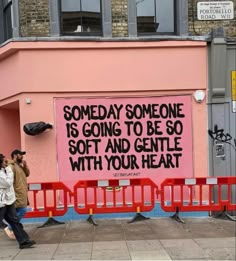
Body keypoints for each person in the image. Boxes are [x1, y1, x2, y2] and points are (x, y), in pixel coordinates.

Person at [0, 153, 36, 249]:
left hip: (9, 201)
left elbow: (26, 174)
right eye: (4, 161)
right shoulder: (6, 170)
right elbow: (8, 183)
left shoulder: (5, 170)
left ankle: (23, 241)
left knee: (15, 221)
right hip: (2, 203)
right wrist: (8, 169)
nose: (6, 162)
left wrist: (25, 166)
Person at [4, 149, 30, 239]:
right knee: (22, 210)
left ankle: (14, 229)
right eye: (20, 155)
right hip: (16, 194)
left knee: (16, 213)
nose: (22, 156)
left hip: (21, 193)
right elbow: (8, 181)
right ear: (15, 155)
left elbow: (27, 174)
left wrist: (25, 166)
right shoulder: (11, 166)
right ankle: (10, 227)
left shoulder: (19, 165)